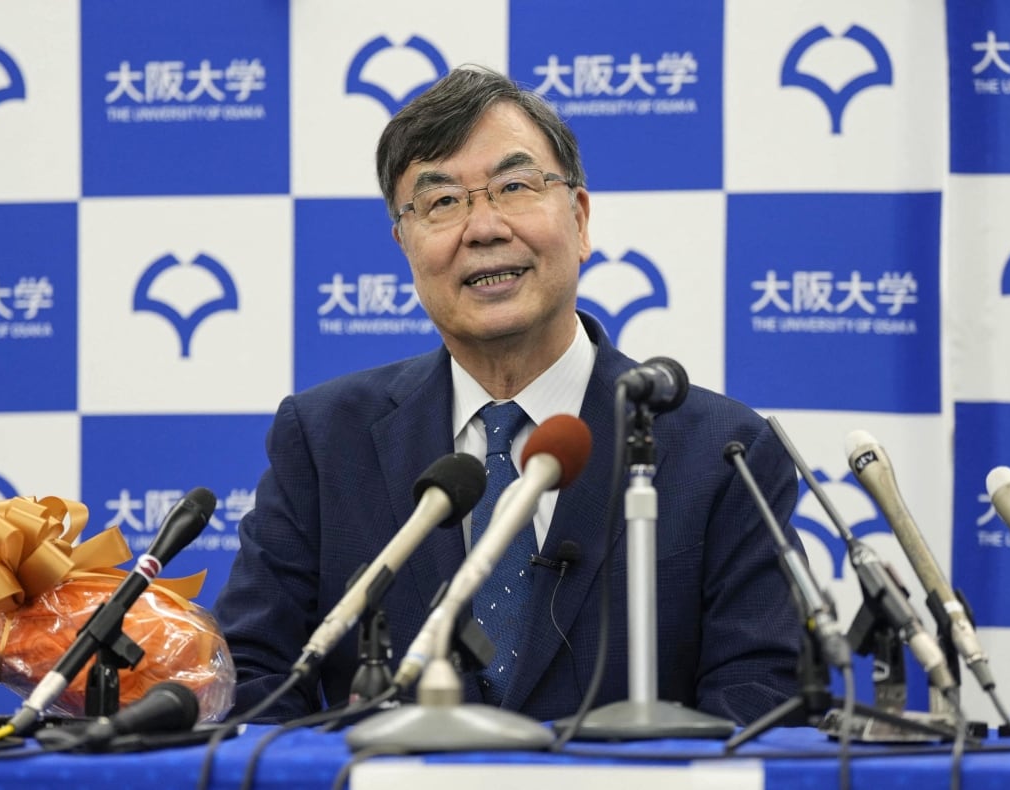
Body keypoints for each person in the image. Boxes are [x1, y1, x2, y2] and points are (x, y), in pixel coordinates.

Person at [212, 65, 804, 726]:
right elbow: (254, 679)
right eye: (441, 203)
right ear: (404, 244)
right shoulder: (325, 439)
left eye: (514, 187)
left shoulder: (724, 451)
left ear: (579, 221)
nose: (483, 227)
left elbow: (762, 701)